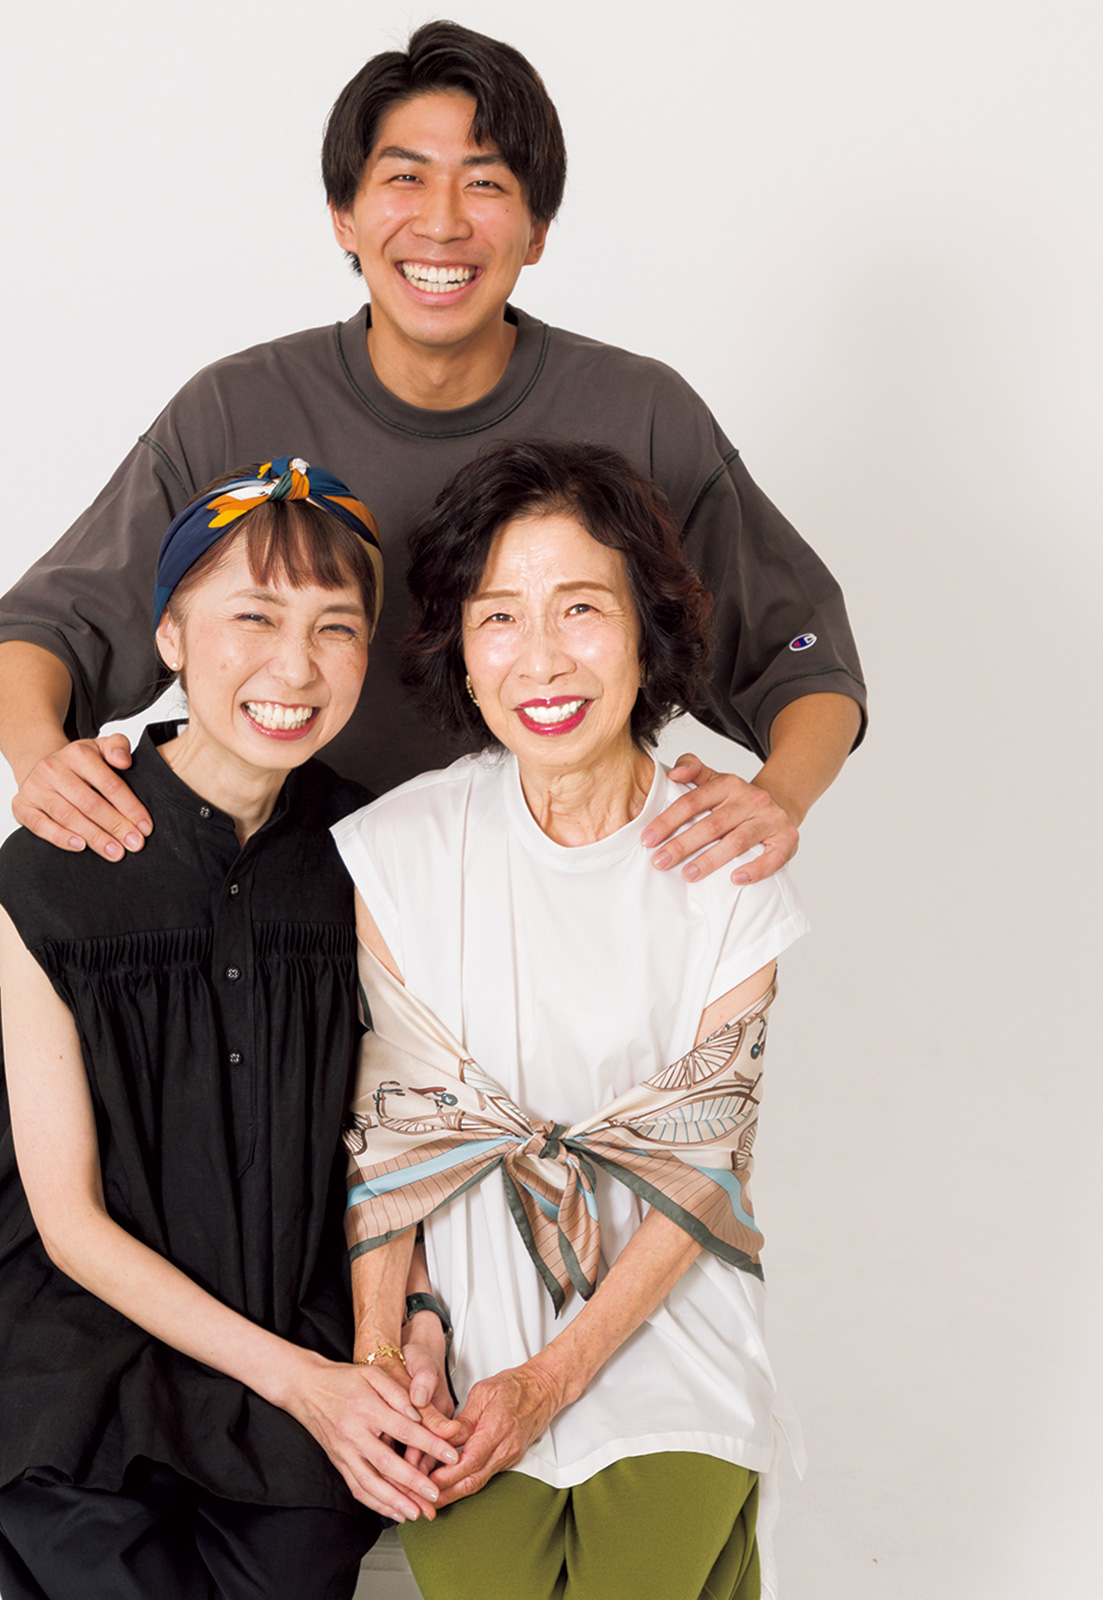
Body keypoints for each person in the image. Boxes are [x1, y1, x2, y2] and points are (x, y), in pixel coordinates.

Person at [0, 20, 865, 883]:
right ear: (344, 215)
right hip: (293, 908)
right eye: (405, 177)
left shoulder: (641, 415)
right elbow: (46, 632)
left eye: (485, 184)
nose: (441, 223)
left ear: (538, 230)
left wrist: (777, 797)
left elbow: (802, 653)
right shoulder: (234, 411)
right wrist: (42, 762)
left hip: (557, 896)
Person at [0, 459, 464, 1600]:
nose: (295, 666)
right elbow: (66, 1222)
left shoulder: (373, 858)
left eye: (335, 628)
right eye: (253, 617)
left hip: (291, 1323)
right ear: (171, 635)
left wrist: (414, 1327)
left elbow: (400, 1128)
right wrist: (304, 1386)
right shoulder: (63, 854)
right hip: (76, 1354)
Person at [332, 439, 812, 1600]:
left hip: (670, 1328)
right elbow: (395, 1140)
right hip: (464, 1339)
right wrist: (391, 1353)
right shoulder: (399, 850)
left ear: (648, 628)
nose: (540, 656)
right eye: (499, 616)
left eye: (582, 608)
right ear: (460, 646)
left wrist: (551, 1380)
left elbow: (701, 1163)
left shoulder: (726, 857)